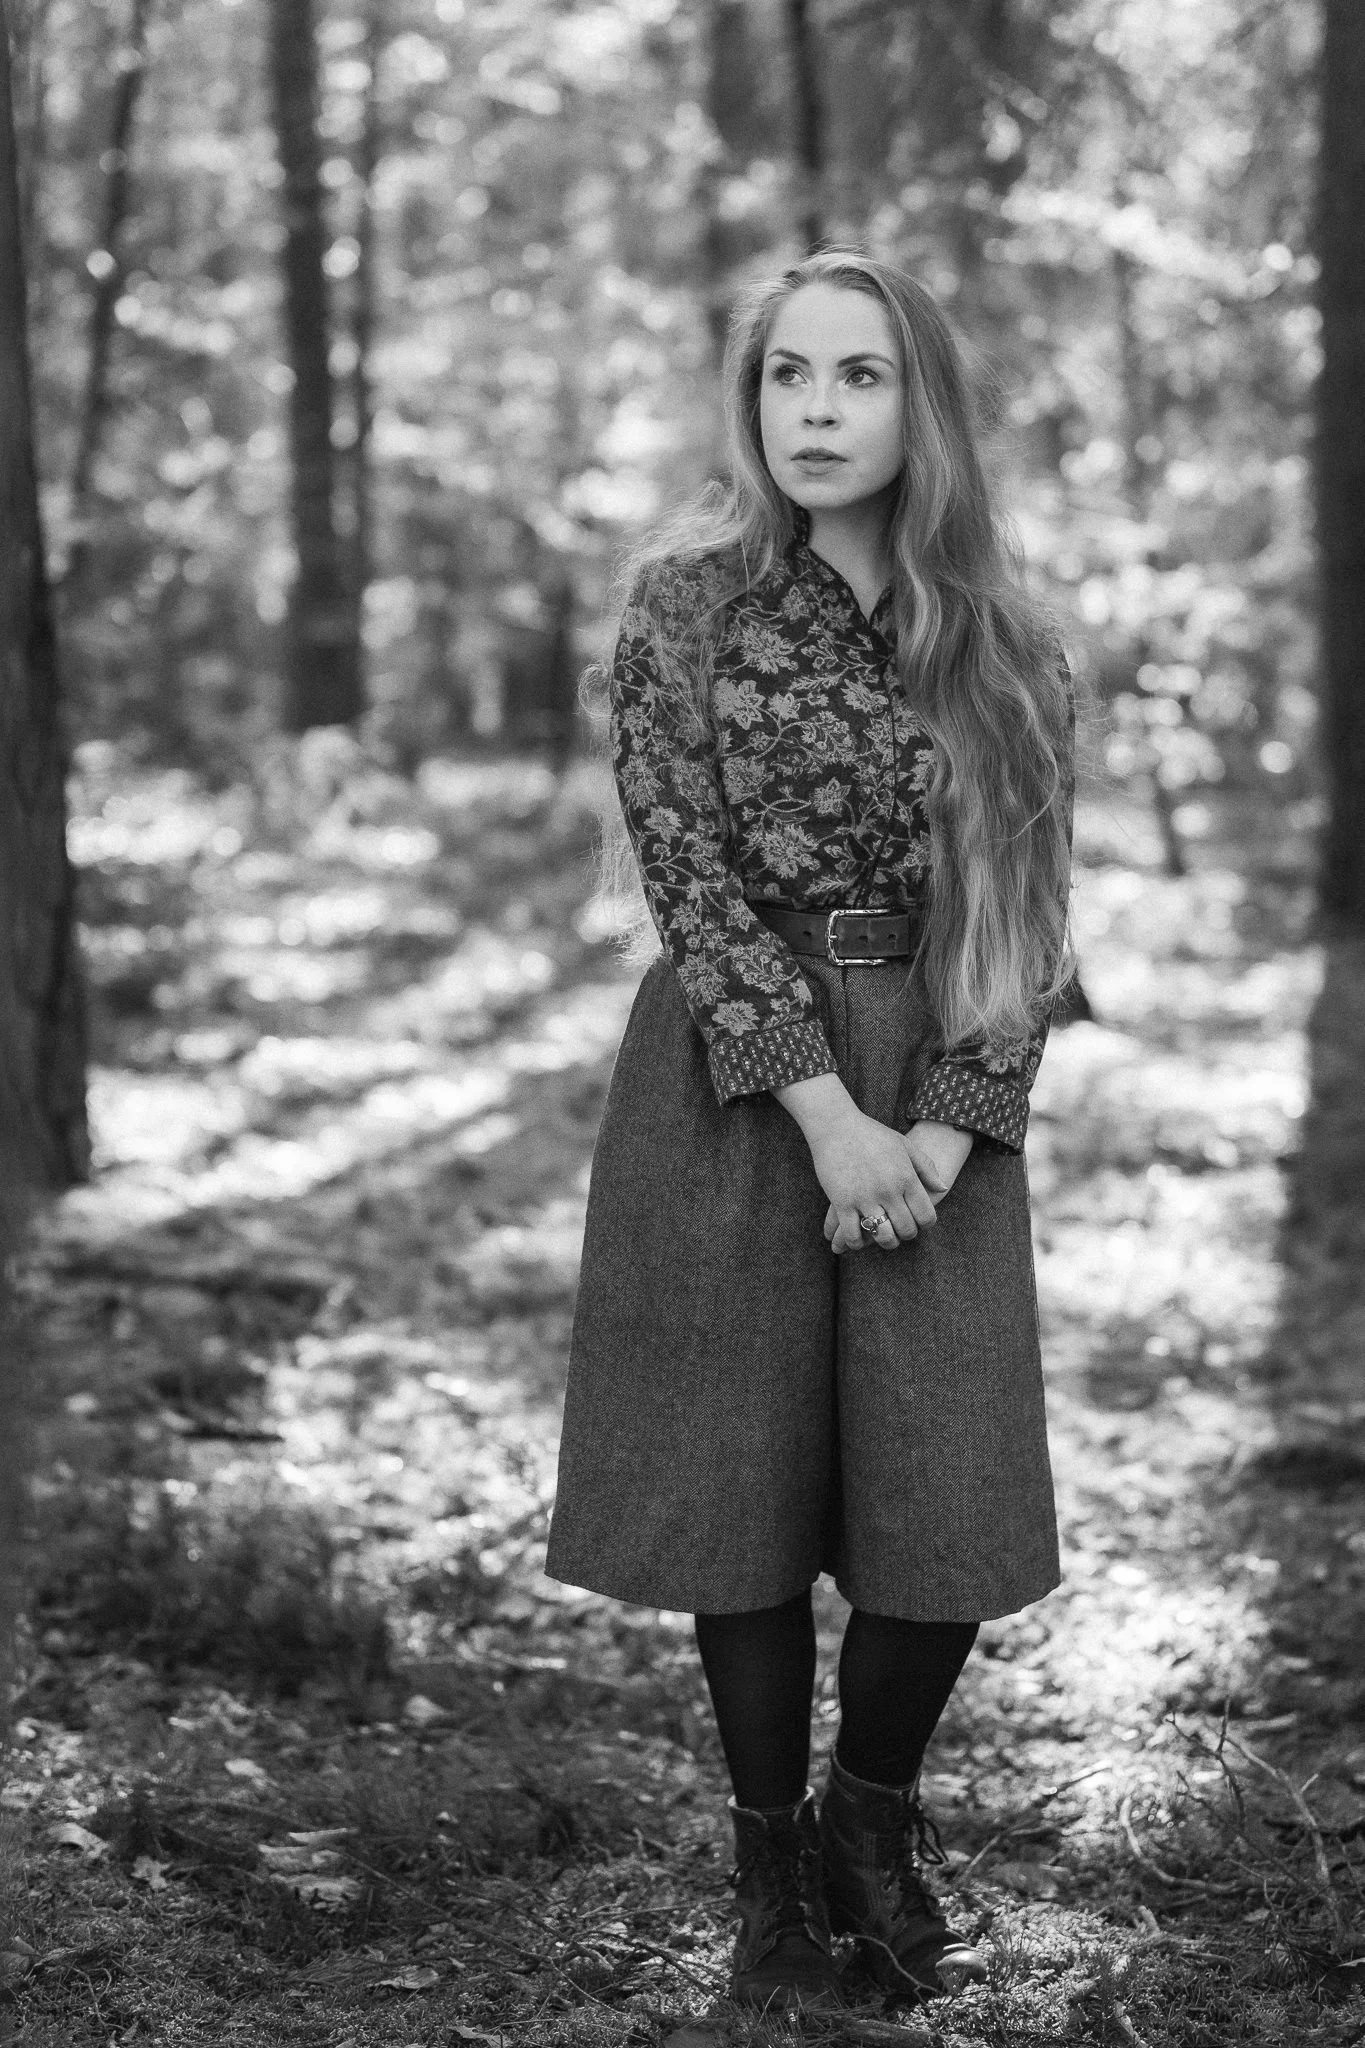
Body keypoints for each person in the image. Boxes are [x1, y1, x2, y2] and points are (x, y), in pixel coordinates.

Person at [545, 249, 1074, 2013]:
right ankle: (770, 1886)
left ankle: (872, 1823)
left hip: (938, 1073)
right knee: (743, 1498)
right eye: (789, 375)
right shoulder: (685, 608)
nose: (818, 411)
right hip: (735, 1078)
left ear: (924, 405)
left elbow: (1028, 910)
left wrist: (948, 1131)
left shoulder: (1003, 637)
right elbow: (689, 888)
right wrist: (831, 1121)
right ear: (750, 398)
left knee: (952, 1489)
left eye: (860, 376)